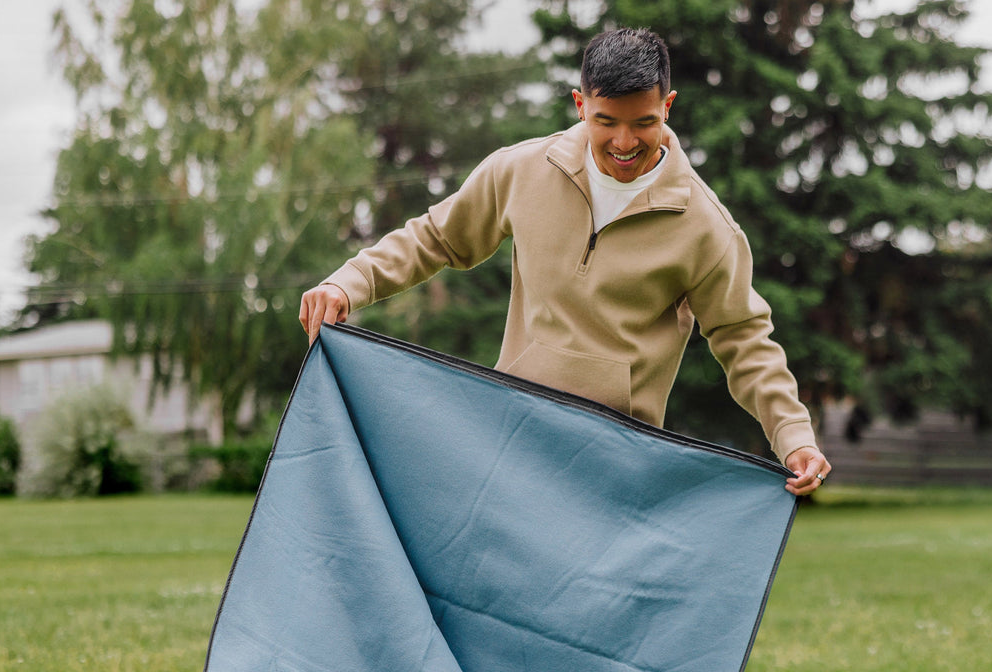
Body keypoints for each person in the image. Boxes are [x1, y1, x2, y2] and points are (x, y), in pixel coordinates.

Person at [299, 28, 831, 495]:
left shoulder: (705, 226)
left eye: (643, 122)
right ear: (580, 104)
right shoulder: (520, 170)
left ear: (668, 106)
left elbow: (743, 338)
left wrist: (794, 436)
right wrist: (350, 282)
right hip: (511, 438)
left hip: (616, 461)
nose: (624, 142)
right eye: (606, 121)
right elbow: (435, 237)